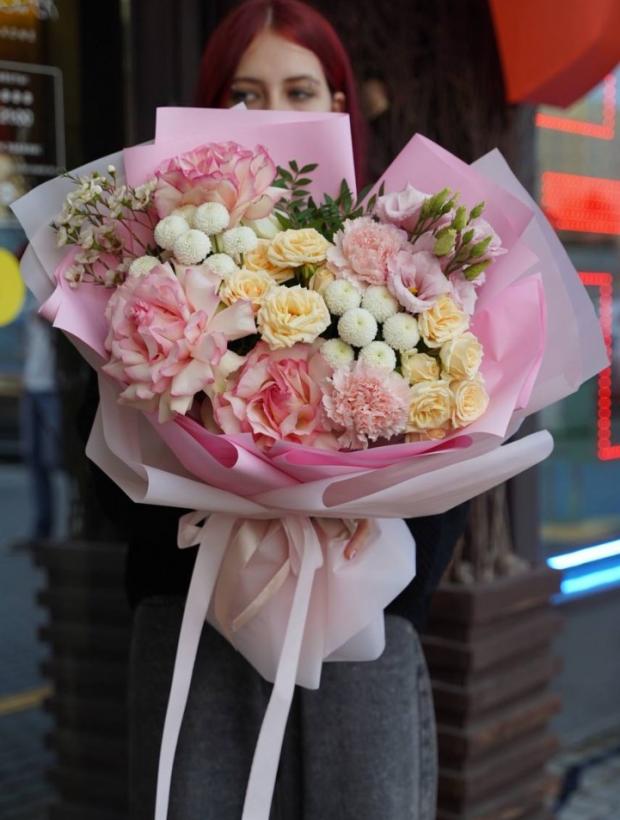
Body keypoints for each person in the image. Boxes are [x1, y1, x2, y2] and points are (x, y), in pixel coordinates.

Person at [125, 2, 468, 818]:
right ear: (211, 108)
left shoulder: (401, 247)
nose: (272, 112)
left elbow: (457, 434)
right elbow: (109, 457)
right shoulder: (151, 258)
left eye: (300, 90)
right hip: (203, 616)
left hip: (360, 620)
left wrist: (377, 561)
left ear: (339, 104)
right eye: (245, 93)